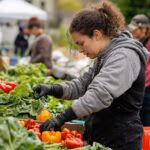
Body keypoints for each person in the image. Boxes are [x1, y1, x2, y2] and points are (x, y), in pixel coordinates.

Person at [32, 1, 148, 149]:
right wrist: (52, 89)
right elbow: (82, 84)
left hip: (121, 139)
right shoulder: (105, 55)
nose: (80, 50)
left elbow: (98, 95)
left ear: (97, 34)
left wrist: (61, 118)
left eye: (81, 43)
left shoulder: (124, 55)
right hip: (103, 133)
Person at [128, 14, 150, 126]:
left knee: (146, 116)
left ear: (144, 29)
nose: (133, 32)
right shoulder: (140, 41)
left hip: (147, 87)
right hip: (141, 86)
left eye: (135, 30)